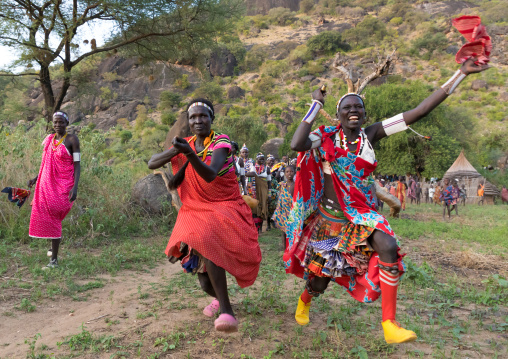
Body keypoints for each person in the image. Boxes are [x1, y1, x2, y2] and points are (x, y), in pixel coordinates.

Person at [286, 57, 488, 344]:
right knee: (320, 280)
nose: (353, 110)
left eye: (358, 107)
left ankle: (389, 323)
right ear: (338, 114)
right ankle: (305, 299)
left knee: (388, 245)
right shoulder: (325, 137)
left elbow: (418, 111)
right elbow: (297, 144)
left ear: (365, 114)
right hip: (329, 221)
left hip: (360, 216)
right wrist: (315, 105)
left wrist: (460, 74)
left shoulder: (372, 135)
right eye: (347, 107)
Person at [148, 99, 261, 333]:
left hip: (224, 205)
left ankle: (227, 311)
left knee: (206, 235)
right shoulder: (187, 143)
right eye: (193, 117)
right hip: (195, 207)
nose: (197, 121)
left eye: (203, 116)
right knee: (204, 281)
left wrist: (189, 154)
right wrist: (176, 150)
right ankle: (220, 298)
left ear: (212, 119)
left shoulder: (221, 142)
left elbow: (210, 174)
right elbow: (152, 163)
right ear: (188, 122)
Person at [27, 111, 81, 269]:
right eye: (55, 122)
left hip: (64, 185)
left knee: (55, 217)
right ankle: (53, 248)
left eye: (61, 122)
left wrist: (75, 187)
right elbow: (45, 163)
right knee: (50, 217)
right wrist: (36, 178)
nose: (58, 125)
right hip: (47, 183)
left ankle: (54, 260)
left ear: (67, 123)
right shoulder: (50, 140)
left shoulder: (72, 139)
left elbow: (77, 165)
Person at [246, 153, 272, 232]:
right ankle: (256, 228)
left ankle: (260, 227)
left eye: (263, 159)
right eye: (259, 159)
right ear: (256, 160)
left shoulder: (267, 169)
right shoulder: (252, 168)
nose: (261, 161)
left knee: (263, 206)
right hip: (255, 189)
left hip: (264, 189)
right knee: (255, 207)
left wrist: (269, 195)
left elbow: (269, 183)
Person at [272, 165, 296, 250]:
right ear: (284, 173)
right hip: (284, 211)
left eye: (291, 171)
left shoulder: (296, 185)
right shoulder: (282, 185)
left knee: (293, 230)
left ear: (294, 172)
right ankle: (285, 248)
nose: (289, 173)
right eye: (287, 172)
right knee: (284, 231)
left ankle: (292, 247)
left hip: (293, 210)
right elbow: (277, 177)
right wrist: (280, 168)